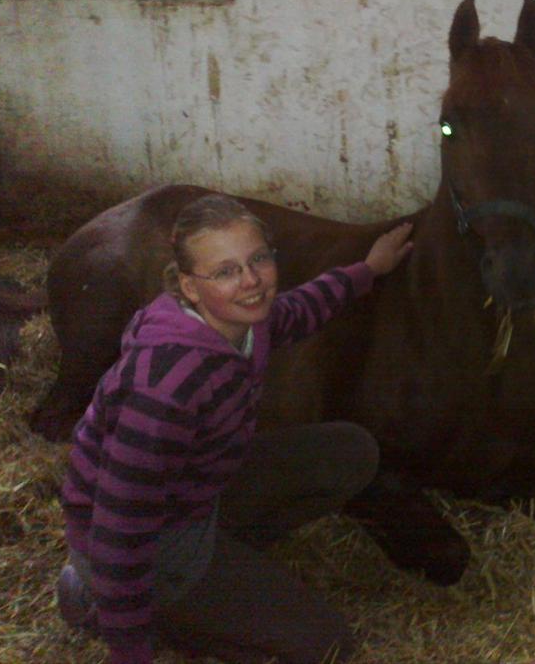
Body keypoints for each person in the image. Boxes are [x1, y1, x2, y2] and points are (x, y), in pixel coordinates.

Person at [54, 193, 413, 664]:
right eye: (225, 271)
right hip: (148, 545)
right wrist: (130, 651)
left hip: (196, 498)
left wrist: (367, 270)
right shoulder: (164, 389)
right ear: (188, 286)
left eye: (259, 259)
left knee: (352, 449)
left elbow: (299, 309)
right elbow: (120, 529)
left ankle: (222, 570)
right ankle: (98, 603)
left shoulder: (242, 323)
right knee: (326, 646)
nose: (251, 282)